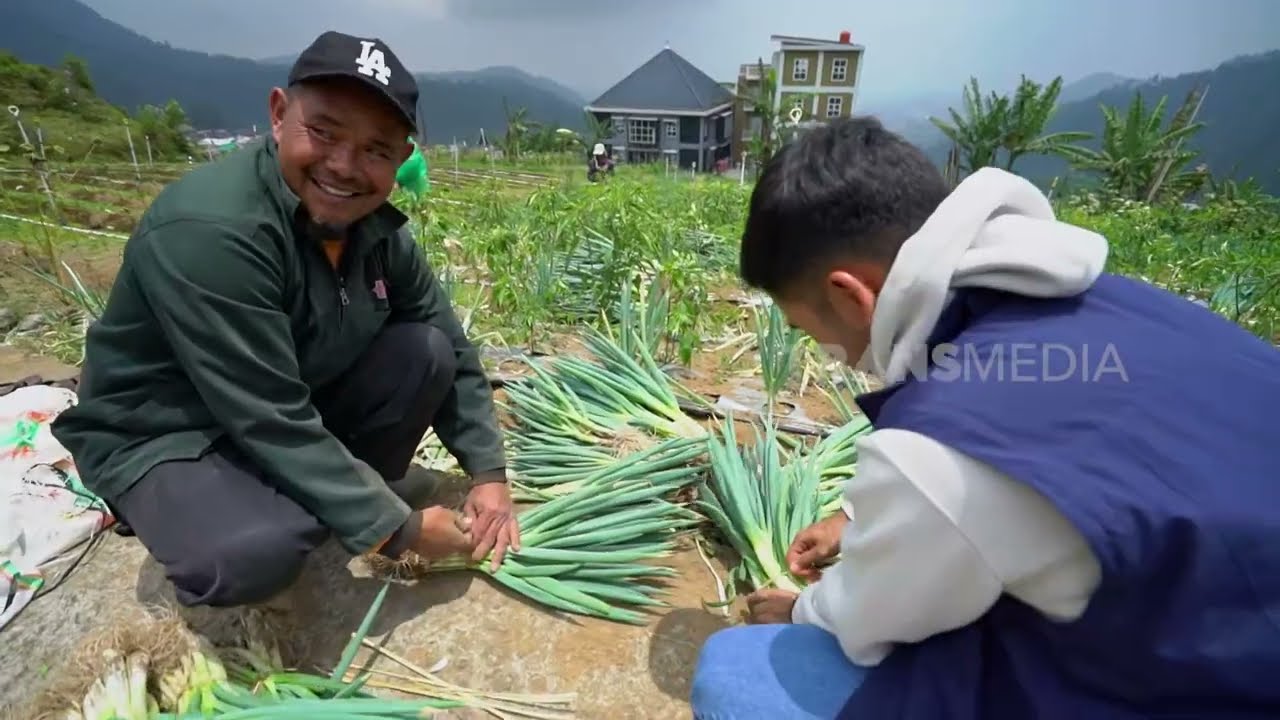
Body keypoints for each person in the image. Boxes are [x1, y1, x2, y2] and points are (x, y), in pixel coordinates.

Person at [689, 116, 1280, 719]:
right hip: (1235, 641)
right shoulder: (1122, 301)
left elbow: (869, 617)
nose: (816, 346)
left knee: (741, 671)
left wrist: (799, 610)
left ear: (850, 295)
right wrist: (857, 518)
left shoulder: (942, 437)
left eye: (801, 327)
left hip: (1216, 694)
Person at [50, 31, 519, 611]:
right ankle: (244, 505)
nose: (344, 167)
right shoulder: (215, 230)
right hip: (169, 432)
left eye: (376, 149)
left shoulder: (373, 229)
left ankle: (334, 501)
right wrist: (397, 530)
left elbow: (447, 337)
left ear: (401, 160)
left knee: (425, 352)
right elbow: (267, 415)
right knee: (251, 556)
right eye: (323, 132)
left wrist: (488, 476)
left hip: (288, 404)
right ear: (278, 115)